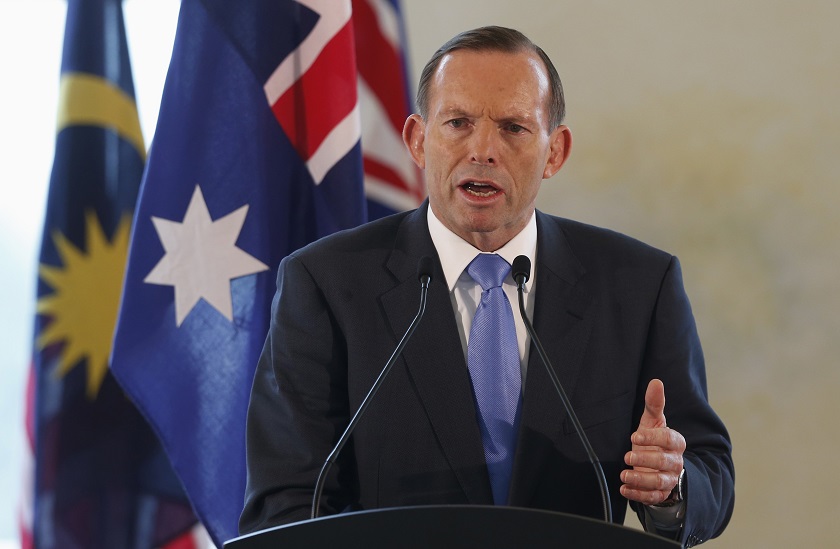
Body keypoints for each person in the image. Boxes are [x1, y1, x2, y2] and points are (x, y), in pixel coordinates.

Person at [239, 26, 734, 546]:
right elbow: (286, 504)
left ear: (555, 152)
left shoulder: (637, 285)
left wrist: (671, 485)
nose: (483, 150)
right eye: (457, 122)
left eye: (514, 128)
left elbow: (710, 472)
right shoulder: (326, 284)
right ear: (417, 140)